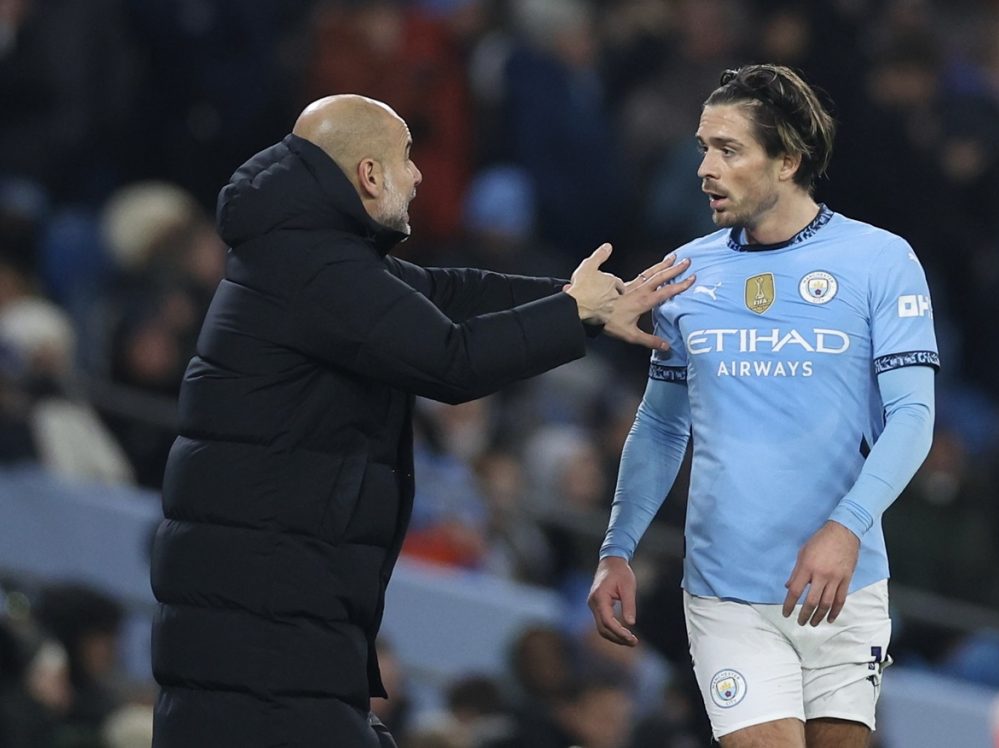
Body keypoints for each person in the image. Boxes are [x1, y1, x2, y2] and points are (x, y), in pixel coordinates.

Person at [149, 93, 694, 748]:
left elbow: (443, 296)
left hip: (272, 633)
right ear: (369, 175)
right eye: (406, 159)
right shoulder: (315, 268)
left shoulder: (307, 254)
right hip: (264, 643)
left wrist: (580, 302)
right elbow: (451, 361)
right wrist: (574, 314)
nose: (419, 176)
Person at [587, 64, 939, 748]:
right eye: (702, 148)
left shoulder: (880, 262)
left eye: (728, 150)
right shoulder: (685, 273)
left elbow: (914, 418)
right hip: (725, 591)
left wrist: (847, 528)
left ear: (788, 161)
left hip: (845, 581)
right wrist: (617, 546)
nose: (705, 170)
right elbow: (661, 425)